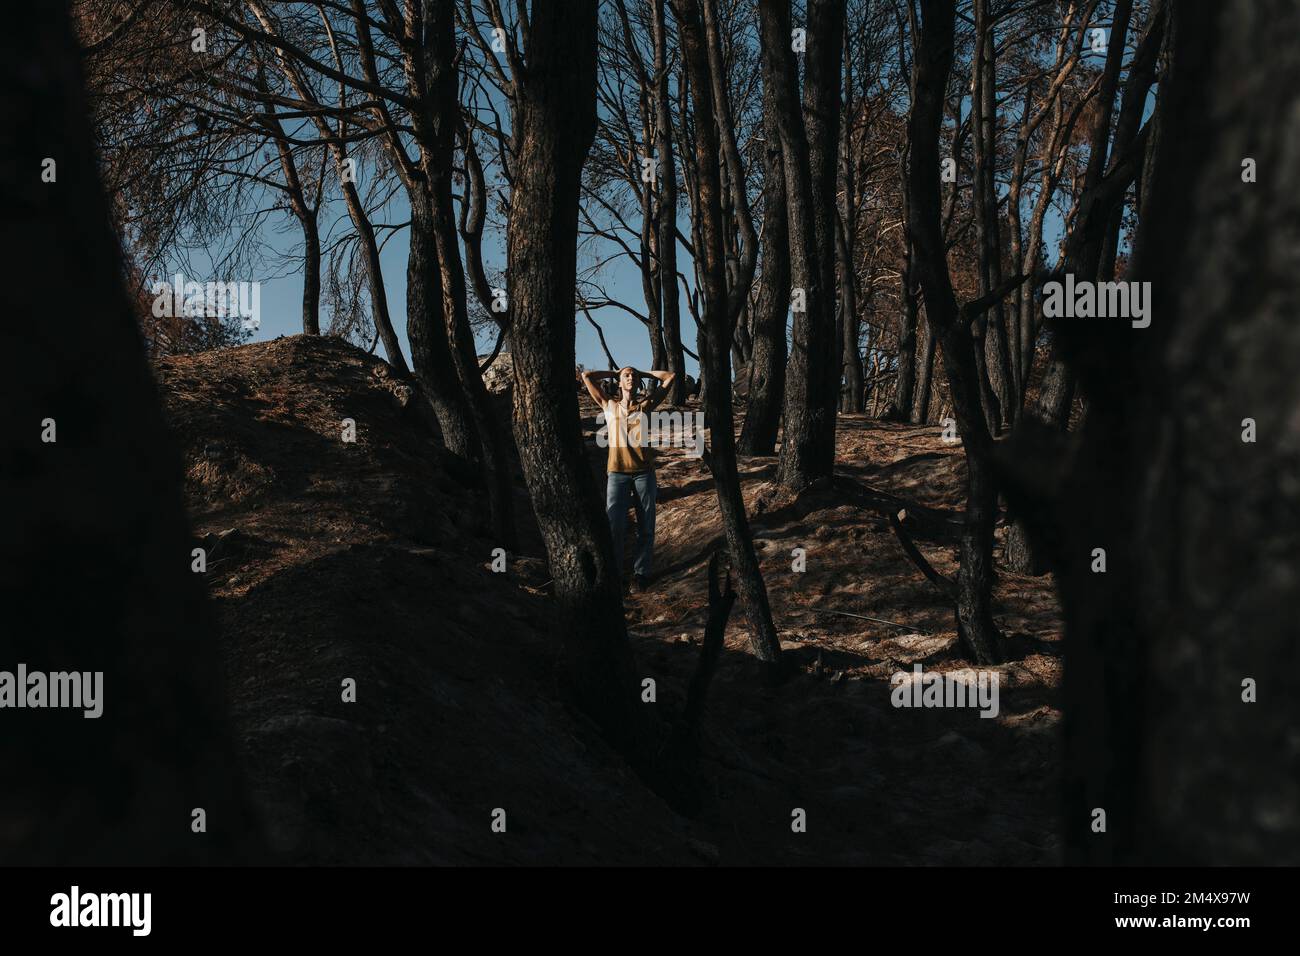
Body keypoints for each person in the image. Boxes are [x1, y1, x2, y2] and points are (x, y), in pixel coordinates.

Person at [582, 365, 676, 592]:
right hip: (617, 474)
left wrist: (642, 373)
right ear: (620, 382)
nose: (631, 377)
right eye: (627, 375)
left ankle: (640, 574)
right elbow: (587, 376)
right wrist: (615, 373)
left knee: (646, 526)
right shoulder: (609, 405)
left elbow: (670, 377)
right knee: (615, 526)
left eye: (633, 375)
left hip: (644, 473)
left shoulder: (646, 405)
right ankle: (613, 573)